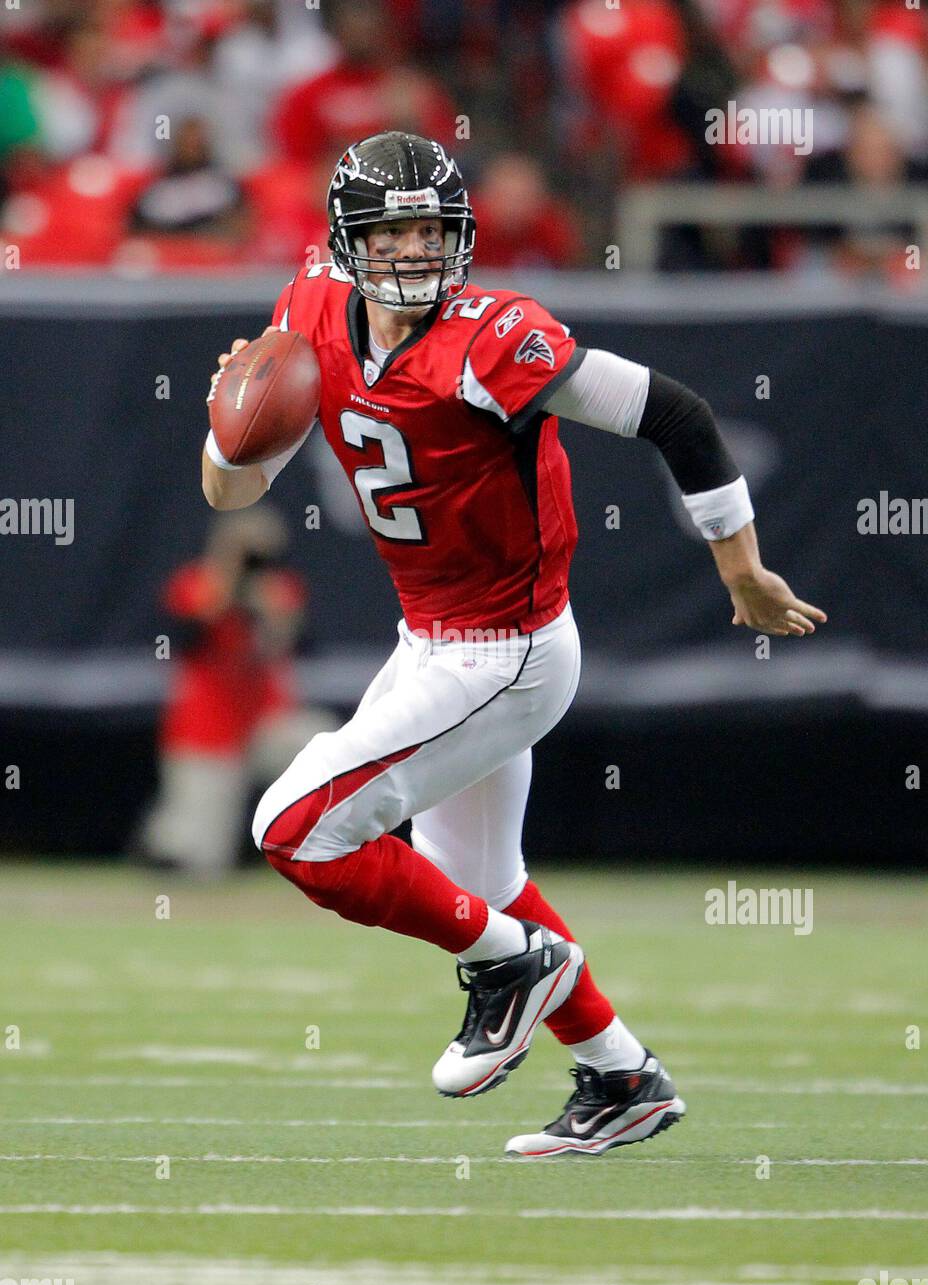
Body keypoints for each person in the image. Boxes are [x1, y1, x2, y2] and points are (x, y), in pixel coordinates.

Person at [201, 131, 827, 1157]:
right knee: (481, 882)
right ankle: (623, 1076)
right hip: (433, 639)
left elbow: (677, 414)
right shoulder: (308, 306)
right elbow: (230, 489)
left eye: (428, 227)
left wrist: (740, 568)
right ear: (344, 240)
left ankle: (512, 965)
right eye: (391, 229)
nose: (412, 251)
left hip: (505, 652)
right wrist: (228, 431)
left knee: (293, 828)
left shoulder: (493, 338)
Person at [139, 506, 335, 878]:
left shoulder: (280, 592)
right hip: (207, 736)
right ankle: (163, 833)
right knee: (201, 861)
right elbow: (176, 640)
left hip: (266, 726)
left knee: (323, 743)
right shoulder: (196, 585)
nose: (253, 565)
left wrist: (274, 616)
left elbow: (303, 647)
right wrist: (225, 590)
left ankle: (326, 848)